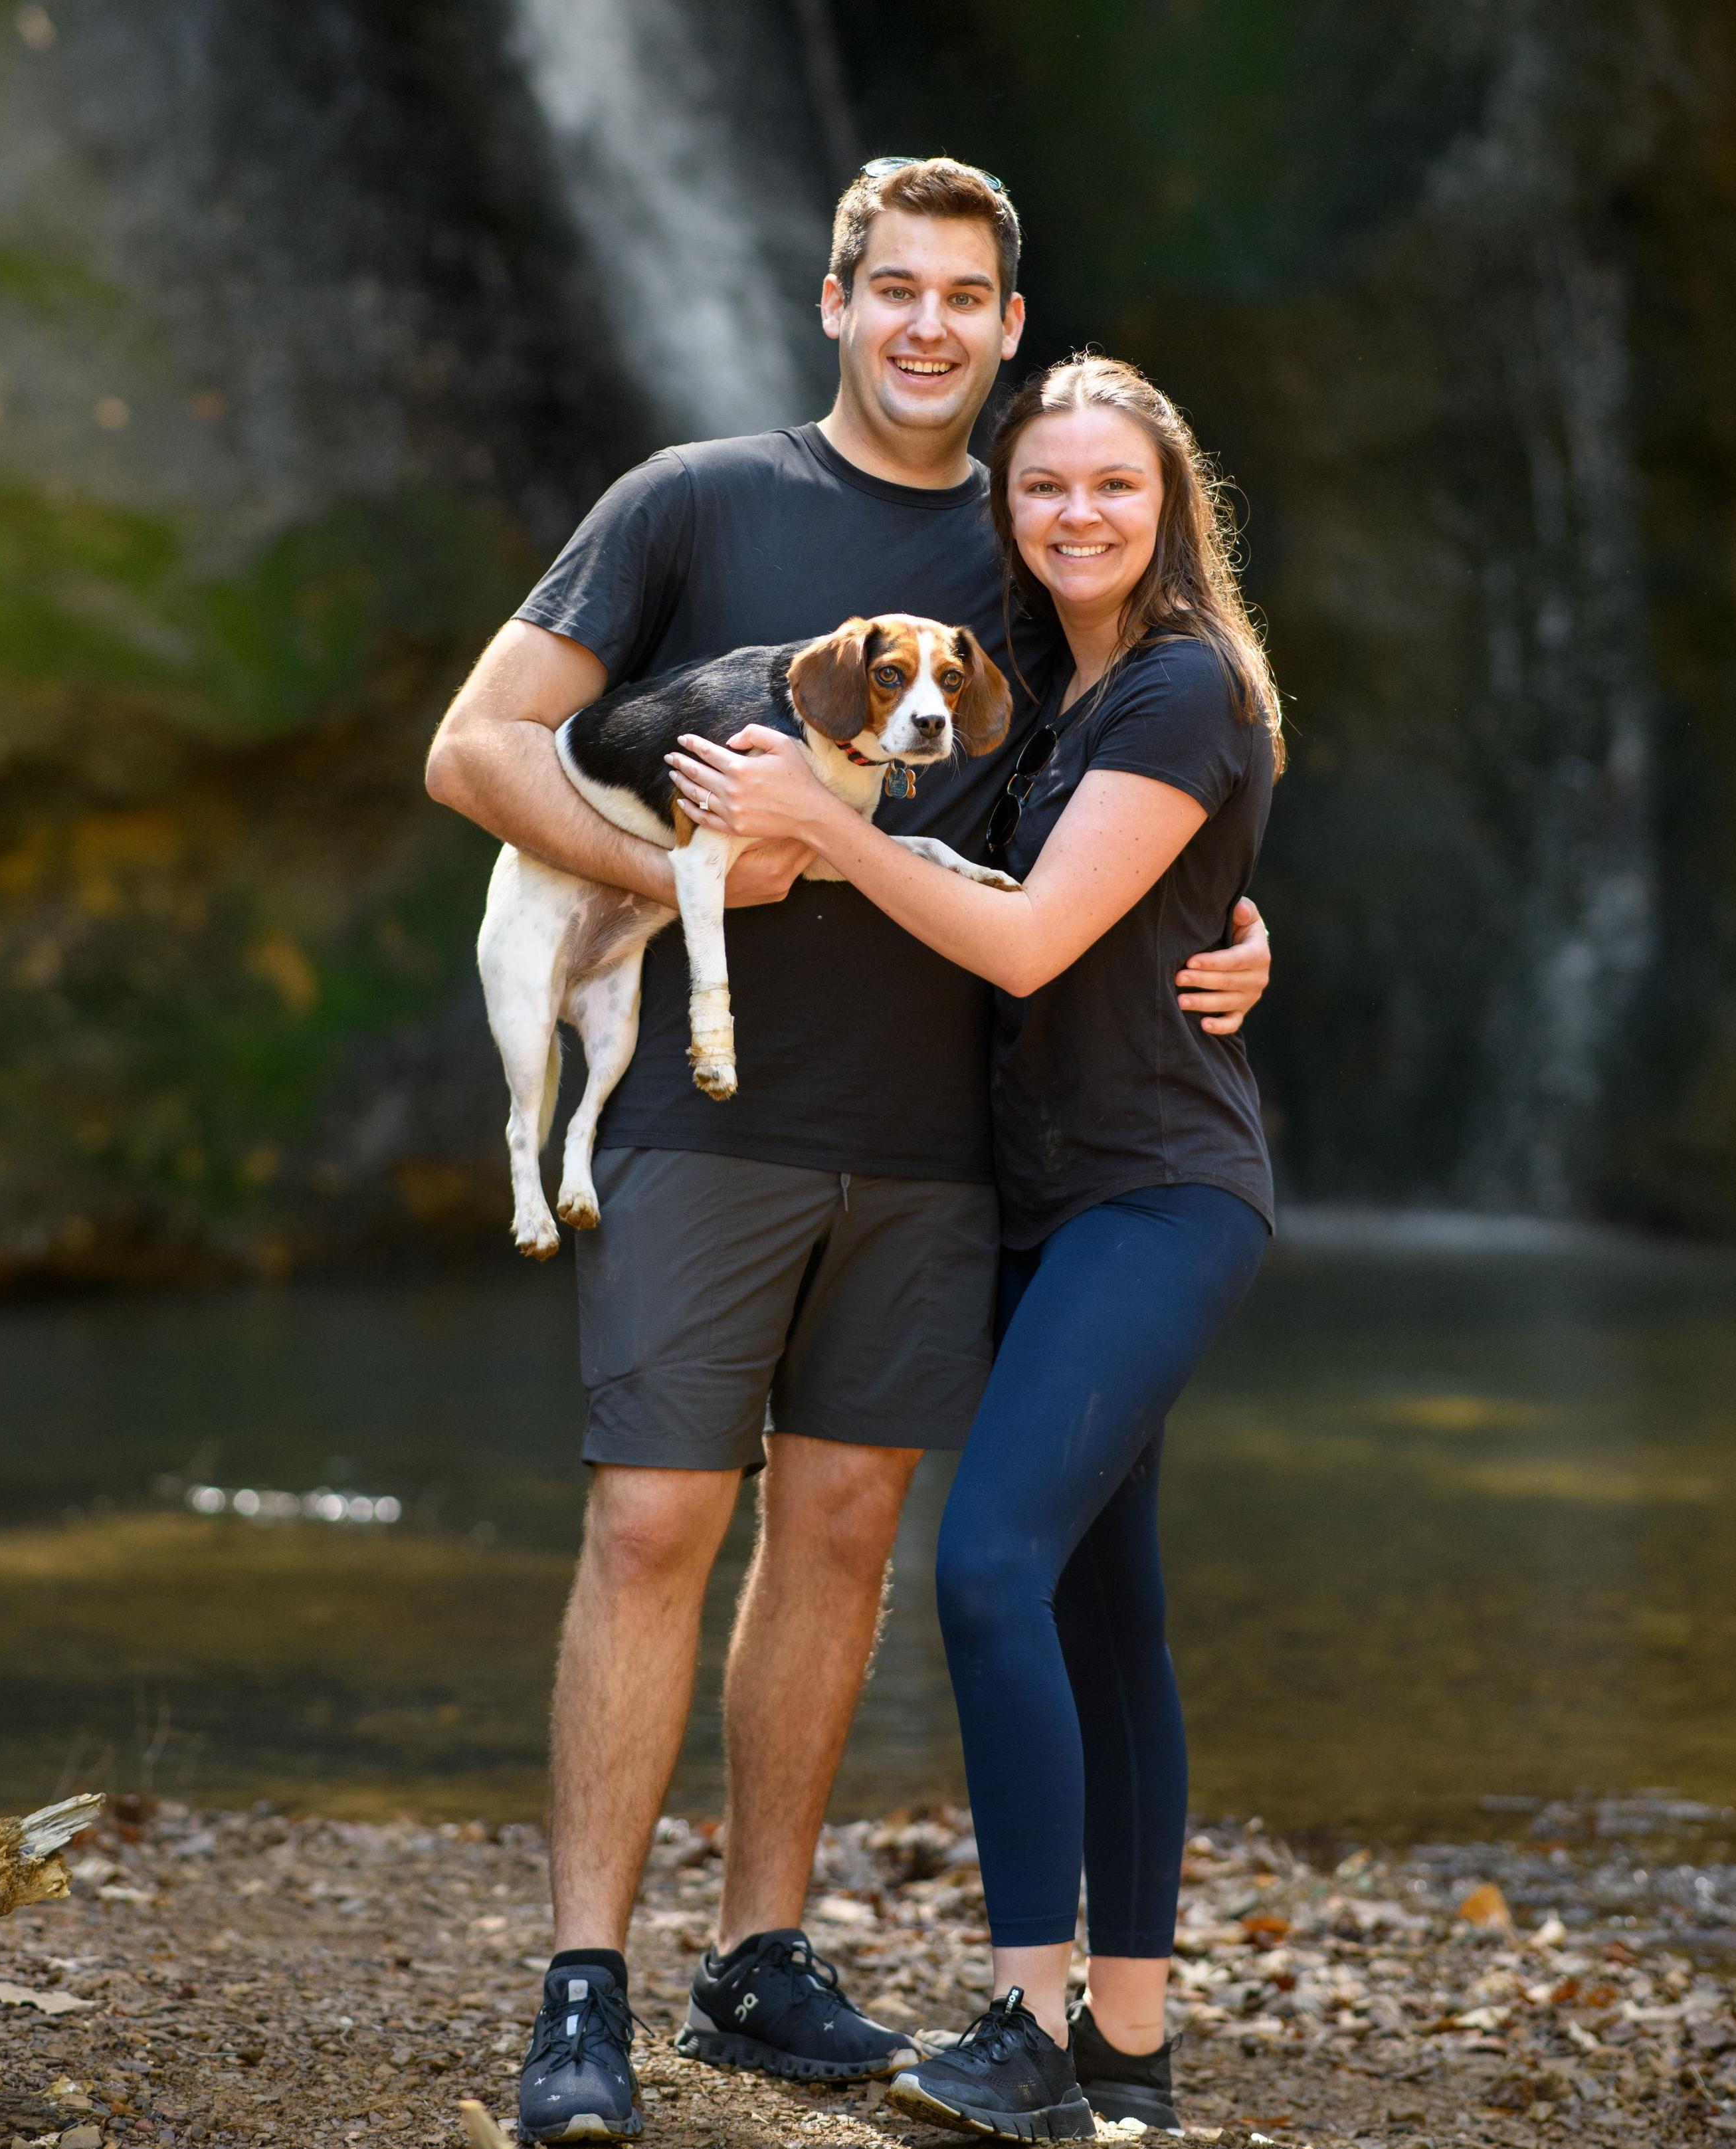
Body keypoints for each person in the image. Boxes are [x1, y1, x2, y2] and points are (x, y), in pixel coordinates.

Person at [425, 161, 1273, 2146]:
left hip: (944, 1146)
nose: (924, 324)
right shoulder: (688, 498)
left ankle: (759, 1957)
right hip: (697, 1118)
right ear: (829, 302)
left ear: (1003, 322)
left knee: (838, 1535)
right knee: (649, 1523)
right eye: (891, 288)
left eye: (963, 296)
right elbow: (476, 748)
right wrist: (676, 883)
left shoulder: (1036, 547)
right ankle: (581, 1984)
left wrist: (1237, 929)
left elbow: (1144, 792)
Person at [666, 352, 1281, 2142]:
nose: (1074, 511)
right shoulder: (1043, 698)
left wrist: (821, 833)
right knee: (1104, 1608)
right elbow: (1134, 911)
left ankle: (1017, 2014)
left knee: (988, 1565)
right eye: (1041, 486)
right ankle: (1127, 2048)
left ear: (1169, 502)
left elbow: (1025, 945)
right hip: (1044, 1200)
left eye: (1110, 483)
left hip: (1156, 1193)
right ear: (1006, 507)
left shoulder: (1177, 685)